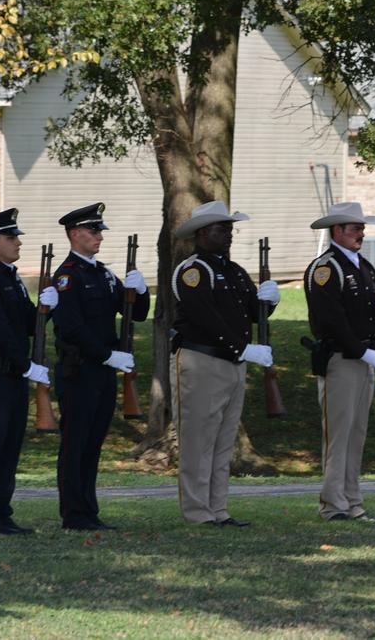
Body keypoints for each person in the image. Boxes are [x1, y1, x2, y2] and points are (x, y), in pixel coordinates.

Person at [170, 201, 279, 527]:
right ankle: (197, 511)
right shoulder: (193, 271)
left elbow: (248, 313)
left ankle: (218, 509)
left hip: (232, 363)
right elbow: (206, 317)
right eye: (222, 228)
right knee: (198, 441)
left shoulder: (233, 271)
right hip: (202, 360)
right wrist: (243, 347)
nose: (228, 234)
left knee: (222, 442)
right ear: (203, 233)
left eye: (230, 228)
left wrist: (267, 302)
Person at [52, 203, 150, 530]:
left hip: (104, 373)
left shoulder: (104, 274)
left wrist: (141, 290)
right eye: (94, 231)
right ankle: (74, 513)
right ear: (75, 234)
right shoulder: (67, 277)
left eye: (100, 231)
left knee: (93, 444)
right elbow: (71, 327)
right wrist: (107, 355)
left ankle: (88, 510)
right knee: (76, 444)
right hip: (79, 372)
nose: (99, 237)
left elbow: (134, 313)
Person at [0, 208, 57, 535]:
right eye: (10, 237)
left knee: (8, 448)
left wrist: (48, 307)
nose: (17, 242)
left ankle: (1, 511)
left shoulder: (9, 278)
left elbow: (29, 324)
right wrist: (27, 365)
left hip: (12, 376)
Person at [304, 202, 375, 521]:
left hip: (363, 360)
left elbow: (370, 317)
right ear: (337, 231)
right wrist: (363, 351)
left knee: (356, 436)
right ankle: (333, 505)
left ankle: (353, 502)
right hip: (341, 360)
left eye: (361, 228)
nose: (361, 233)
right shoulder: (326, 268)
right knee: (338, 436)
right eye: (354, 228)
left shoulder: (365, 267)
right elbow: (330, 321)